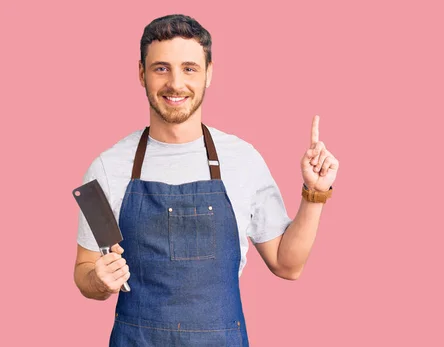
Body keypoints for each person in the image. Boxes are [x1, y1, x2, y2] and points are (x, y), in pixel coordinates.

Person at [73, 14, 339, 346]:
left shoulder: (243, 160)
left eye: (189, 68)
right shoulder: (107, 168)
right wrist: (98, 282)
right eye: (161, 68)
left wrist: (314, 193)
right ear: (141, 74)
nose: (175, 83)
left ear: (209, 73)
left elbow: (288, 265)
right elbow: (85, 269)